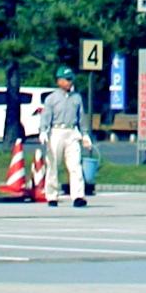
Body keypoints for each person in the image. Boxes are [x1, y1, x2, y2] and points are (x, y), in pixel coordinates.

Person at [41, 68, 92, 207]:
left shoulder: (77, 98)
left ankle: (78, 196)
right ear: (59, 81)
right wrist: (43, 131)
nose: (69, 82)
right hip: (56, 131)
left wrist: (85, 134)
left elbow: (81, 117)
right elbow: (46, 117)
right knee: (53, 164)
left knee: (75, 165)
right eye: (67, 79)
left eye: (71, 79)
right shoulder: (51, 99)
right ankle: (52, 195)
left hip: (72, 132)